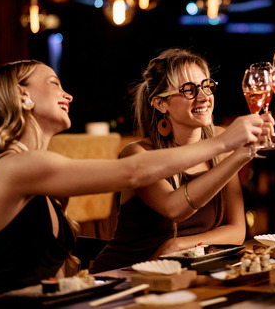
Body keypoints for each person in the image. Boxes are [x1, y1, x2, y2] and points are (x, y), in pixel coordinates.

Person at [0, 60, 266, 305]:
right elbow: (133, 171)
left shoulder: (35, 168)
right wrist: (224, 142)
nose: (68, 94)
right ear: (21, 94)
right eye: (54, 83)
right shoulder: (16, 165)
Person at [91, 48, 254, 272]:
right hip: (124, 276)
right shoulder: (138, 153)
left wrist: (179, 245)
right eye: (189, 90)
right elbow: (173, 208)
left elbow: (236, 231)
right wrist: (237, 154)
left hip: (179, 275)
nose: (204, 97)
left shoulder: (220, 142)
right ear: (161, 104)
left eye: (206, 86)